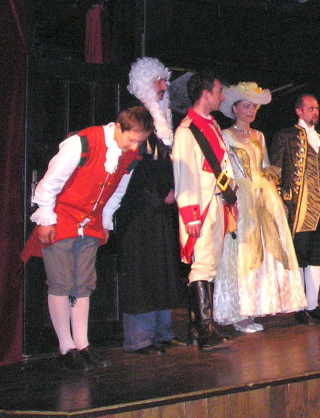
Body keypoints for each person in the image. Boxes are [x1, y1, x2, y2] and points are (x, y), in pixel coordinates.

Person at [24, 106, 153, 371]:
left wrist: (105, 221)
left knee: (83, 284)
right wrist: (46, 218)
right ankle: (66, 347)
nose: (134, 146)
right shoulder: (81, 143)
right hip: (61, 219)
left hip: (91, 223)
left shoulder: (132, 153)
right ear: (118, 127)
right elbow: (50, 182)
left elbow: (117, 190)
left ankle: (82, 344)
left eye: (139, 141)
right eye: (131, 139)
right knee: (61, 283)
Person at [214, 82, 308, 332]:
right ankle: (239, 312)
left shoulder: (259, 136)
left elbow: (266, 168)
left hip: (263, 196)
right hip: (241, 194)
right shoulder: (225, 135)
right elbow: (223, 169)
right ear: (234, 108)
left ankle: (256, 306)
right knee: (244, 252)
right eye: (246, 106)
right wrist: (229, 197)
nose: (250, 111)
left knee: (266, 252)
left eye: (254, 107)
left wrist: (276, 198)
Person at [116, 57, 185, 356]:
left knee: (162, 270)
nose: (163, 86)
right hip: (138, 210)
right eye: (157, 81)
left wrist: (172, 190)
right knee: (141, 273)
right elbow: (131, 171)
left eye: (164, 81)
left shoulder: (162, 121)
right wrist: (157, 195)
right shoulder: (134, 117)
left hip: (159, 209)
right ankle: (140, 338)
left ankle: (162, 332)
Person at [173, 72, 237, 350]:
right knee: (202, 265)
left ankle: (198, 328)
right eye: (219, 91)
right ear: (206, 94)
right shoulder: (186, 131)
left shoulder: (212, 125)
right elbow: (183, 175)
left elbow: (223, 166)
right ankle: (205, 330)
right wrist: (191, 215)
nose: (222, 97)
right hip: (200, 207)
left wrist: (231, 200)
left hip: (216, 203)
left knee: (210, 265)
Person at [270, 94, 320, 325]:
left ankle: (313, 305)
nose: (315, 112)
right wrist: (278, 203)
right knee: (299, 256)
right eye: (310, 108)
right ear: (299, 111)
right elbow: (274, 172)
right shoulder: (285, 136)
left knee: (317, 256)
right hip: (297, 208)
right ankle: (299, 306)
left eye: (317, 108)